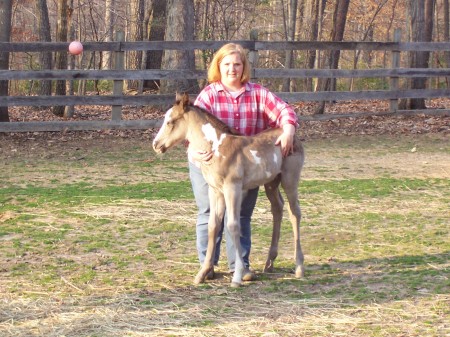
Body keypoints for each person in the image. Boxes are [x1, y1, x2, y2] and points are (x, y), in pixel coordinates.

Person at [188, 43, 298, 281]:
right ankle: (207, 263)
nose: (232, 69)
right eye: (226, 64)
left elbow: (284, 109)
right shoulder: (208, 95)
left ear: (243, 67)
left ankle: (239, 263)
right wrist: (194, 153)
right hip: (208, 162)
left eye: (237, 64)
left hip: (243, 164)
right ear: (219, 66)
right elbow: (192, 129)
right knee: (209, 212)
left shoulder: (257, 93)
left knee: (241, 215)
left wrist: (288, 128)